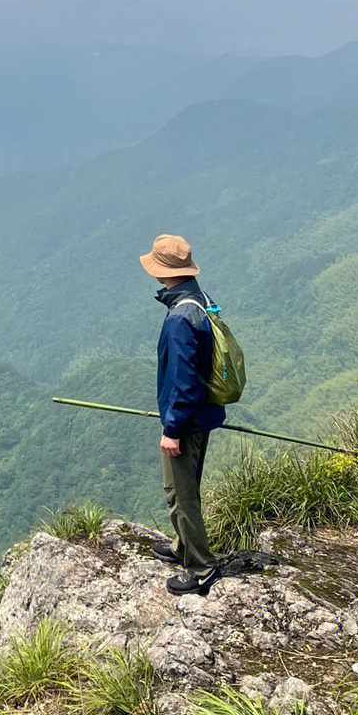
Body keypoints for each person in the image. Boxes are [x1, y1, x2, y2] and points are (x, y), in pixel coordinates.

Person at [139, 233, 224, 595]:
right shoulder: (200, 300)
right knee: (189, 486)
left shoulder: (179, 318)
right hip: (204, 414)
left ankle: (202, 567)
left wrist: (171, 428)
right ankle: (182, 545)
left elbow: (185, 381)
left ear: (163, 272)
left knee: (180, 494)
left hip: (186, 421)